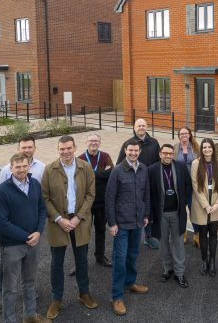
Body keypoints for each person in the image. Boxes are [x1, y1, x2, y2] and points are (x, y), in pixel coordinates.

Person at [41, 135, 98, 320]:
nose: (65, 152)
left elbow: (91, 194)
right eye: (61, 149)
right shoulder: (50, 169)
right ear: (58, 150)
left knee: (82, 260)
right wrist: (58, 218)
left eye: (68, 148)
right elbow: (44, 197)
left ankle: (84, 293)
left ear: (74, 148)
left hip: (79, 221)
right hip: (58, 222)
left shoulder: (85, 167)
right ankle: (57, 299)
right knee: (56, 263)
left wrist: (78, 217)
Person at [0, 136, 46, 318]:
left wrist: (38, 232)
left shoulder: (35, 185)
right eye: (17, 167)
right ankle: (10, 319)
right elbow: (1, 222)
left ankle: (30, 316)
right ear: (10, 168)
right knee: (10, 287)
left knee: (29, 282)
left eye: (24, 166)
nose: (21, 170)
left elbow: (41, 210)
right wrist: (26, 237)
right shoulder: (1, 191)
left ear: (28, 167)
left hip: (34, 242)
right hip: (13, 246)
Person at [106, 138, 151, 316]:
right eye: (130, 150)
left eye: (136, 151)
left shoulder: (143, 169)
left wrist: (146, 214)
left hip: (138, 221)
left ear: (139, 152)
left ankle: (130, 283)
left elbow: (146, 193)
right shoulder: (117, 171)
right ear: (125, 151)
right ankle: (116, 296)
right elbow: (110, 198)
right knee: (120, 258)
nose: (133, 153)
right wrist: (112, 223)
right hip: (121, 224)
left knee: (133, 255)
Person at [148, 144, 191, 288]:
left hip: (177, 213)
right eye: (165, 153)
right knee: (164, 243)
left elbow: (187, 186)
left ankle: (179, 273)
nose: (168, 156)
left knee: (178, 243)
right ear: (160, 154)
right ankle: (168, 269)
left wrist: (184, 203)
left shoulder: (181, 167)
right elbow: (149, 193)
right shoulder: (152, 170)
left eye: (171, 153)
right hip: (161, 214)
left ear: (173, 155)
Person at [117, 118, 160, 250]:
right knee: (135, 207)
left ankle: (148, 236)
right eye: (138, 125)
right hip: (134, 183)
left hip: (151, 182)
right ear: (134, 128)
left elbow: (159, 161)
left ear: (146, 127)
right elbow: (119, 164)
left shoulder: (154, 142)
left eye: (143, 125)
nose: (141, 127)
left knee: (150, 208)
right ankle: (133, 234)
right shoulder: (129, 144)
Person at [190, 138, 218, 277]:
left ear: (213, 148)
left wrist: (217, 204)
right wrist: (206, 206)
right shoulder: (196, 163)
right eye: (204, 147)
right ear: (201, 149)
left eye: (209, 147)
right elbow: (196, 187)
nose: (207, 150)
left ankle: (212, 261)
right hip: (201, 205)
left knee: (213, 234)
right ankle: (204, 260)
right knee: (203, 234)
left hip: (216, 204)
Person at [78, 133, 114, 267]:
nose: (94, 143)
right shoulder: (80, 159)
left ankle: (100, 257)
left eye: (96, 140)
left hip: (101, 203)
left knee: (100, 231)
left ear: (100, 142)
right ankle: (81, 261)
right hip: (85, 204)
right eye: (91, 140)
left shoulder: (105, 156)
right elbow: (80, 178)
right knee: (84, 233)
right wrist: (101, 174)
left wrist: (90, 174)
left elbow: (110, 173)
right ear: (86, 143)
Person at [173, 126, 200, 246]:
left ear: (190, 135)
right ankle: (183, 233)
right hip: (178, 185)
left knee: (193, 210)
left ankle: (196, 234)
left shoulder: (196, 147)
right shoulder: (174, 148)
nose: (184, 135)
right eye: (181, 133)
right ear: (179, 136)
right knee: (181, 211)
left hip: (193, 185)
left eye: (186, 133)